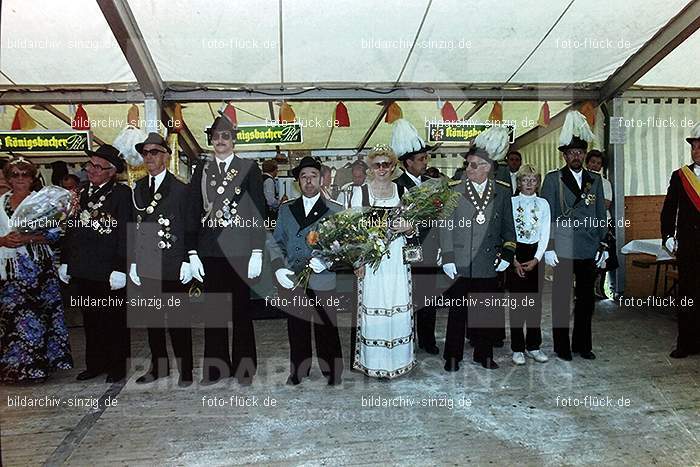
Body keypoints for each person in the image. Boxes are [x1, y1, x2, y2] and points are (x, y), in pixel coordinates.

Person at [185, 114, 266, 385]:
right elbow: (192, 211)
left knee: (241, 312)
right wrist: (192, 252)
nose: (221, 141)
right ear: (211, 140)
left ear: (233, 140)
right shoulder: (201, 170)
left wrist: (257, 251)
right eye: (216, 137)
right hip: (209, 251)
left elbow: (258, 210)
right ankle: (216, 368)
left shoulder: (249, 168)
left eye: (226, 136)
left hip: (241, 249)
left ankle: (244, 369)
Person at [440, 137, 516, 371]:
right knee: (457, 311)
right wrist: (448, 257)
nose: (468, 169)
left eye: (473, 165)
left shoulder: (502, 192)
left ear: (487, 167)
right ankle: (452, 356)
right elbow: (445, 225)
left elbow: (508, 226)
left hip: (487, 261)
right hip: (461, 261)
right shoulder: (454, 190)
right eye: (467, 165)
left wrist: (507, 255)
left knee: (486, 311)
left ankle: (484, 355)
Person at [268, 156, 344, 385]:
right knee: (296, 327)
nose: (309, 181)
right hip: (294, 277)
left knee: (326, 325)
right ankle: (298, 370)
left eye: (313, 176)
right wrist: (279, 267)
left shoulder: (335, 209)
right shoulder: (286, 209)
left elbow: (344, 243)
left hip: (323, 276)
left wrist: (328, 261)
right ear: (297, 182)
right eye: (304, 177)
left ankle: (332, 370)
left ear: (321, 180)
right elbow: (276, 242)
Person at [60, 144, 132, 382]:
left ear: (111, 172)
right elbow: (70, 228)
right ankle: (95, 363)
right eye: (90, 165)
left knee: (114, 319)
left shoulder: (121, 194)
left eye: (98, 167)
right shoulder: (79, 191)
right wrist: (65, 261)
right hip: (84, 267)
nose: (92, 170)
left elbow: (125, 233)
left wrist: (121, 268)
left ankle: (117, 365)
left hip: (108, 269)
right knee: (91, 318)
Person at [540, 111, 608, 361]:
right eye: (571, 153)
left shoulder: (595, 180)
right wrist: (548, 247)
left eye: (580, 152)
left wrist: (603, 243)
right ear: (565, 155)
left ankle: (582, 344)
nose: (576, 156)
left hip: (588, 247)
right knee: (560, 300)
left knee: (586, 301)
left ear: (584, 154)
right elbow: (547, 217)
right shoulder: (553, 179)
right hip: (563, 248)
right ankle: (561, 347)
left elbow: (601, 212)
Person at [128, 133, 194, 386]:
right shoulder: (139, 189)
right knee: (153, 323)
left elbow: (189, 226)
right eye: (145, 153)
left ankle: (185, 370)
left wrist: (189, 258)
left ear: (166, 155)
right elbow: (135, 226)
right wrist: (133, 261)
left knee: (178, 321)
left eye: (154, 152)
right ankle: (160, 367)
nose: (149, 157)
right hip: (148, 263)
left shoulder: (181, 189)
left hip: (173, 262)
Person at [0, 157, 73, 383]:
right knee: (13, 321)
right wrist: (3, 240)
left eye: (25, 175)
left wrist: (28, 238)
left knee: (38, 319)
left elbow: (57, 234)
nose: (20, 179)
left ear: (33, 178)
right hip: (10, 272)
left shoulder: (43, 202)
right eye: (15, 175)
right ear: (8, 178)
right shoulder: (0, 202)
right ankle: (14, 369)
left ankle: (38, 368)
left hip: (38, 270)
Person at [352, 145, 416, 378]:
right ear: (370, 167)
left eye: (386, 164)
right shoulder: (362, 193)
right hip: (372, 260)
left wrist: (409, 229)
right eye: (377, 164)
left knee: (397, 303)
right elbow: (354, 232)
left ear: (393, 166)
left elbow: (413, 228)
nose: (381, 169)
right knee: (374, 304)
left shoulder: (402, 192)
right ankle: (375, 362)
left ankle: (399, 361)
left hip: (397, 258)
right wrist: (358, 262)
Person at [391, 118, 440, 355]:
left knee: (428, 297)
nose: (425, 162)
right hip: (404, 251)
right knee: (406, 297)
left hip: (430, 250)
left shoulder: (433, 184)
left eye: (426, 158)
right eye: (421, 159)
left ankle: (428, 340)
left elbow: (441, 218)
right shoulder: (395, 187)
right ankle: (406, 340)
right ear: (408, 162)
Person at [660, 121, 700, 358]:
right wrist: (667, 235)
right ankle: (685, 343)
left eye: (699, 147)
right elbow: (668, 209)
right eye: (693, 147)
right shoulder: (680, 176)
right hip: (689, 248)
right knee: (687, 296)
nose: (696, 151)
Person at [508, 164, 550, 366]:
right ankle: (517, 348)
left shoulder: (543, 204)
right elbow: (507, 232)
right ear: (519, 182)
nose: (529, 184)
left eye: (533, 180)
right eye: (525, 180)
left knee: (534, 304)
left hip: (535, 254)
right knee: (517, 304)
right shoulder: (511, 202)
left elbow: (545, 233)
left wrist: (537, 258)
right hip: (516, 253)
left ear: (538, 183)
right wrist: (513, 258)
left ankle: (534, 346)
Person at [262, 159, 286, 228]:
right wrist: (281, 202)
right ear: (274, 170)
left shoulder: (260, 179)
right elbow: (270, 201)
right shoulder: (269, 181)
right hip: (268, 215)